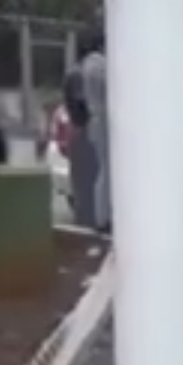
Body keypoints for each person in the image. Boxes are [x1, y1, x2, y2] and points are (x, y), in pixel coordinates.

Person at [63, 30, 102, 229]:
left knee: (81, 181)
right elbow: (81, 104)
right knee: (88, 180)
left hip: (78, 130)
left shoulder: (75, 71)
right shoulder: (84, 72)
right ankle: (89, 221)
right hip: (84, 129)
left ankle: (85, 218)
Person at [78, 33, 111, 234]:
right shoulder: (98, 65)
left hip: (96, 119)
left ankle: (103, 215)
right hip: (102, 119)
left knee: (104, 169)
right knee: (106, 170)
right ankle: (103, 217)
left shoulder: (88, 65)